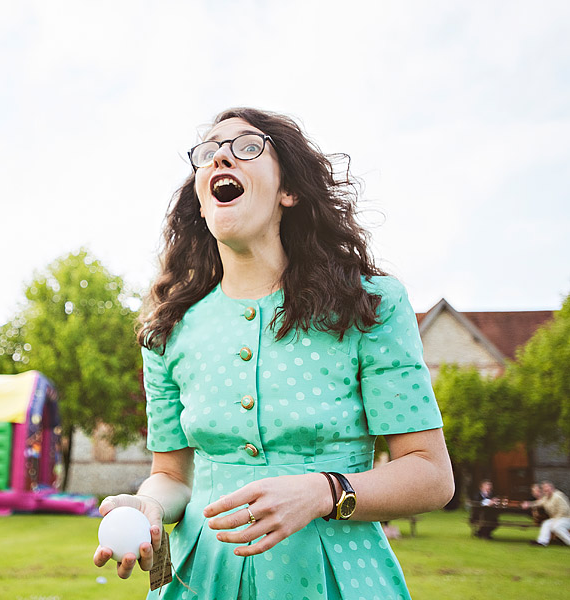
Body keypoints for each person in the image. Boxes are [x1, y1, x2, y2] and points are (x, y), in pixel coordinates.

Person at [92, 108, 454, 599]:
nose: (221, 156)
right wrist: (148, 507)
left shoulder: (371, 305)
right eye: (208, 151)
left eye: (246, 147)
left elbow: (431, 475)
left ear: (290, 191)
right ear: (201, 201)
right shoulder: (168, 331)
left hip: (339, 579)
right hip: (203, 581)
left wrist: (324, 491)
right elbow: (171, 475)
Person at [522, 480, 570, 547]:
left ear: (552, 488)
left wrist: (556, 521)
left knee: (556, 527)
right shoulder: (546, 498)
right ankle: (542, 542)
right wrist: (528, 504)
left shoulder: (558, 496)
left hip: (566, 518)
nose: (546, 490)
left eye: (547, 488)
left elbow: (564, 510)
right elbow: (538, 503)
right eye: (544, 489)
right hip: (557, 519)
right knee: (546, 523)